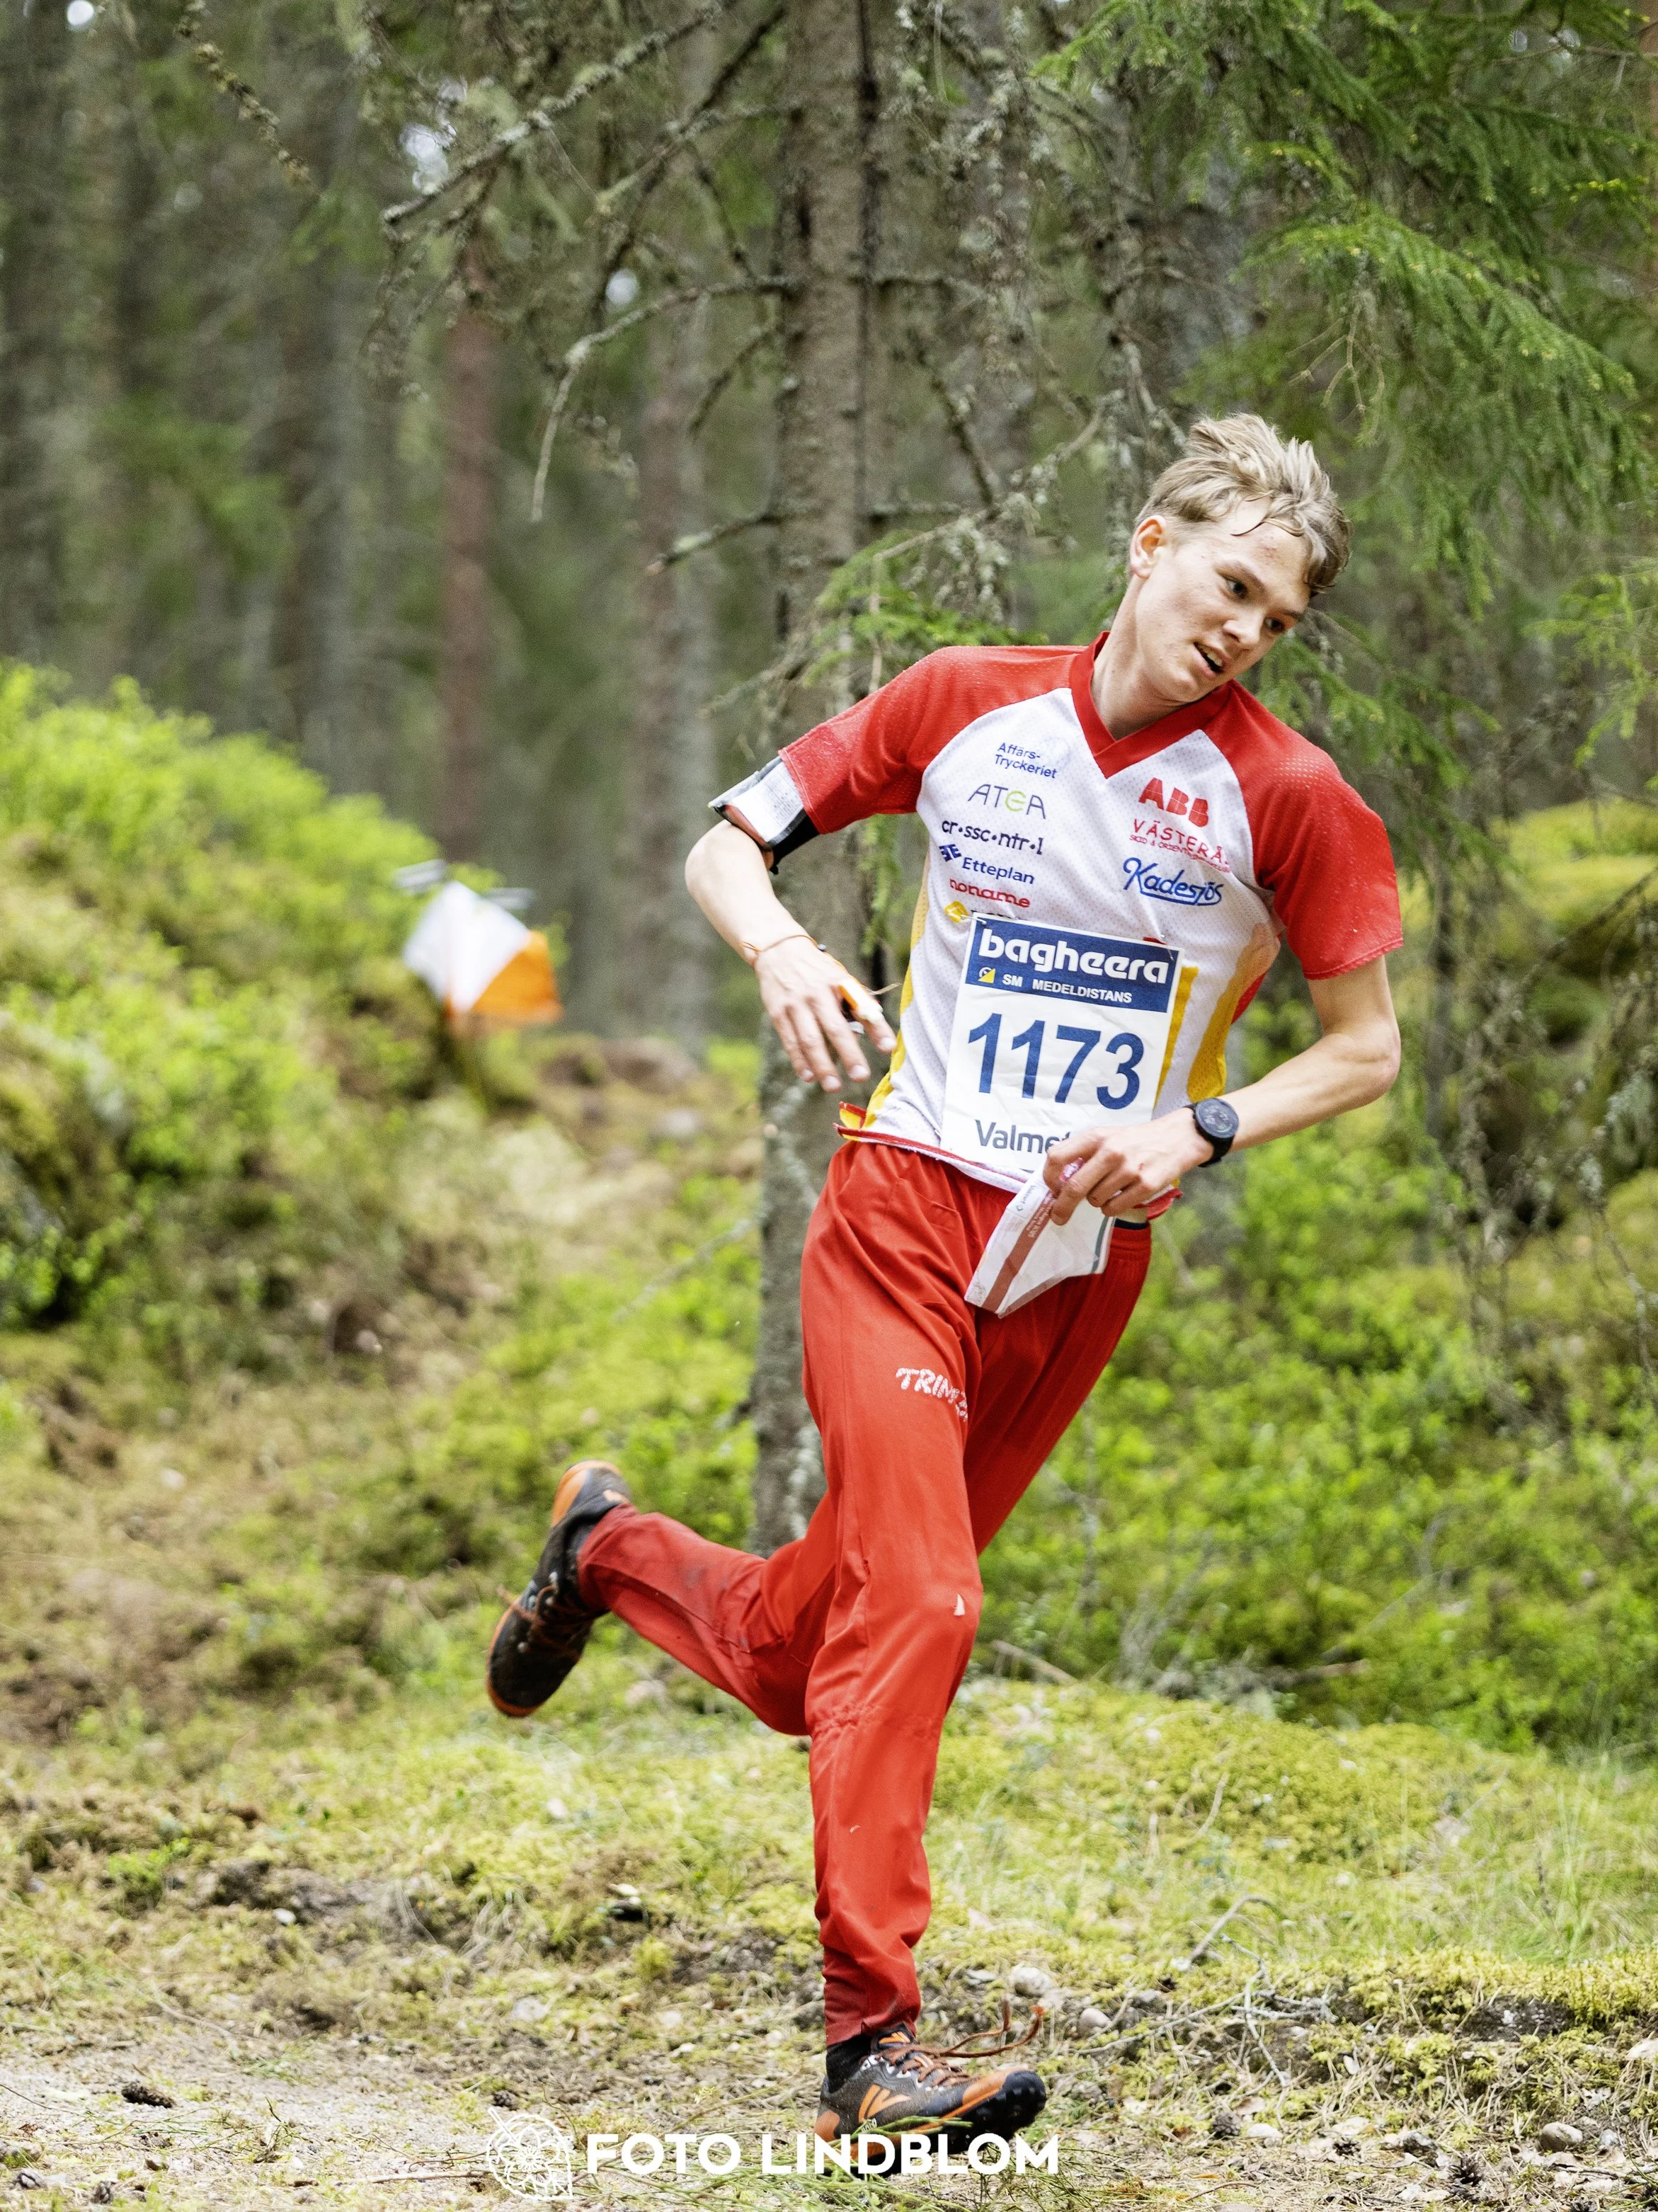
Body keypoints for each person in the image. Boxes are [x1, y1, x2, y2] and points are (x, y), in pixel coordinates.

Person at [487, 416, 1403, 2145]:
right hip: (901, 1210)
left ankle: (603, 1550)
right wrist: (779, 946)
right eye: (1228, 587)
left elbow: (1362, 1052)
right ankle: (869, 2047)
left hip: (1070, 1267)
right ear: (1148, 545)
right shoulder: (962, 699)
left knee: (798, 1653)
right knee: (922, 1604)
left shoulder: (1285, 798)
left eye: (1276, 619)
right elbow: (724, 838)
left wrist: (1199, 1127)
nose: (1241, 633)